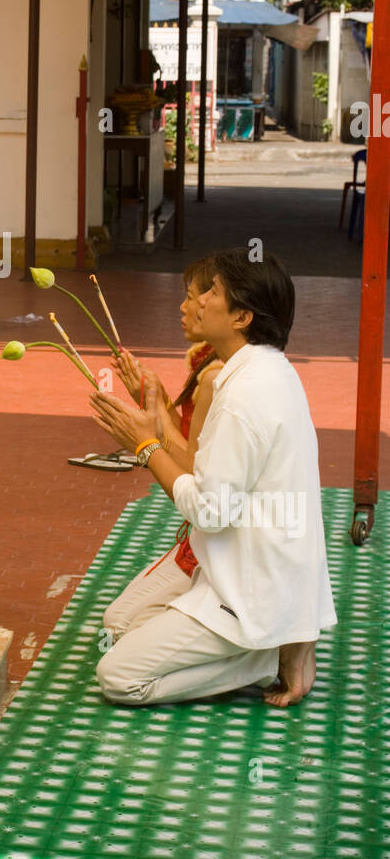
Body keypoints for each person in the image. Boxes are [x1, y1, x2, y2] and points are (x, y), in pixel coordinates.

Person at [90, 248, 336, 708]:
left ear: (242, 316)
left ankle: (263, 656)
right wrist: (155, 420)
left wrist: (146, 448)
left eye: (211, 292)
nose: (196, 301)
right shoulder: (269, 370)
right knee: (124, 625)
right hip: (251, 574)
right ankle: (277, 638)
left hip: (248, 590)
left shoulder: (243, 393)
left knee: (119, 677)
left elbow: (210, 510)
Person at [102, 257, 223, 637]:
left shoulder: (217, 377)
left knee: (119, 627)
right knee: (118, 622)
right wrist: (149, 397)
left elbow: (191, 467)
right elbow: (186, 434)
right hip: (204, 533)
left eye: (191, 297)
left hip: (214, 540)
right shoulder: (209, 361)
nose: (183, 307)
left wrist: (145, 442)